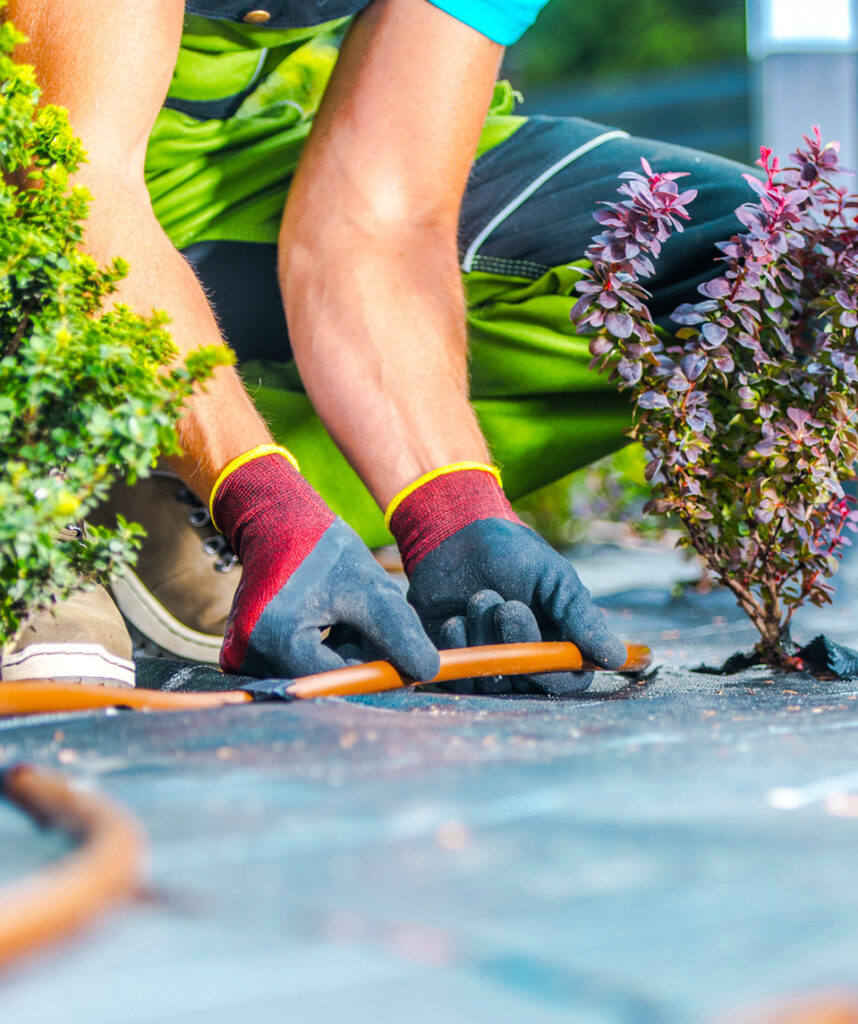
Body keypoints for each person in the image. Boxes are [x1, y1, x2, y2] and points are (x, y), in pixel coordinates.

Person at [1, 0, 751, 694]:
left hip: (199, 169)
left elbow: (376, 218)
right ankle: (31, 482)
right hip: (48, 137)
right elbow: (71, 172)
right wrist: (261, 500)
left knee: (754, 253)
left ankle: (152, 474)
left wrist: (453, 511)